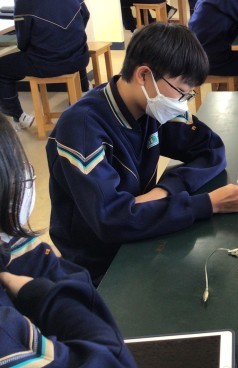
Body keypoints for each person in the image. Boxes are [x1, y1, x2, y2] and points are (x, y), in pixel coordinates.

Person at [47, 23, 238, 285]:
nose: (182, 103)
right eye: (181, 92)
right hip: (99, 264)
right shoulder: (82, 128)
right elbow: (111, 220)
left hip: (142, 233)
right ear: (144, 75)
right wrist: (208, 204)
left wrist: (165, 190)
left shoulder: (150, 106)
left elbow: (211, 149)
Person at [0, 116, 137, 366]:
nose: (26, 176)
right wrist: (46, 297)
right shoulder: (81, 125)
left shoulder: (13, 245)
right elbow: (113, 358)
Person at [0, 0, 90, 130]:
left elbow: (22, 43)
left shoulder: (24, 2)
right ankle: (84, 87)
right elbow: (85, 17)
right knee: (71, 43)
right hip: (80, 58)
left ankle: (19, 116)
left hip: (47, 64)